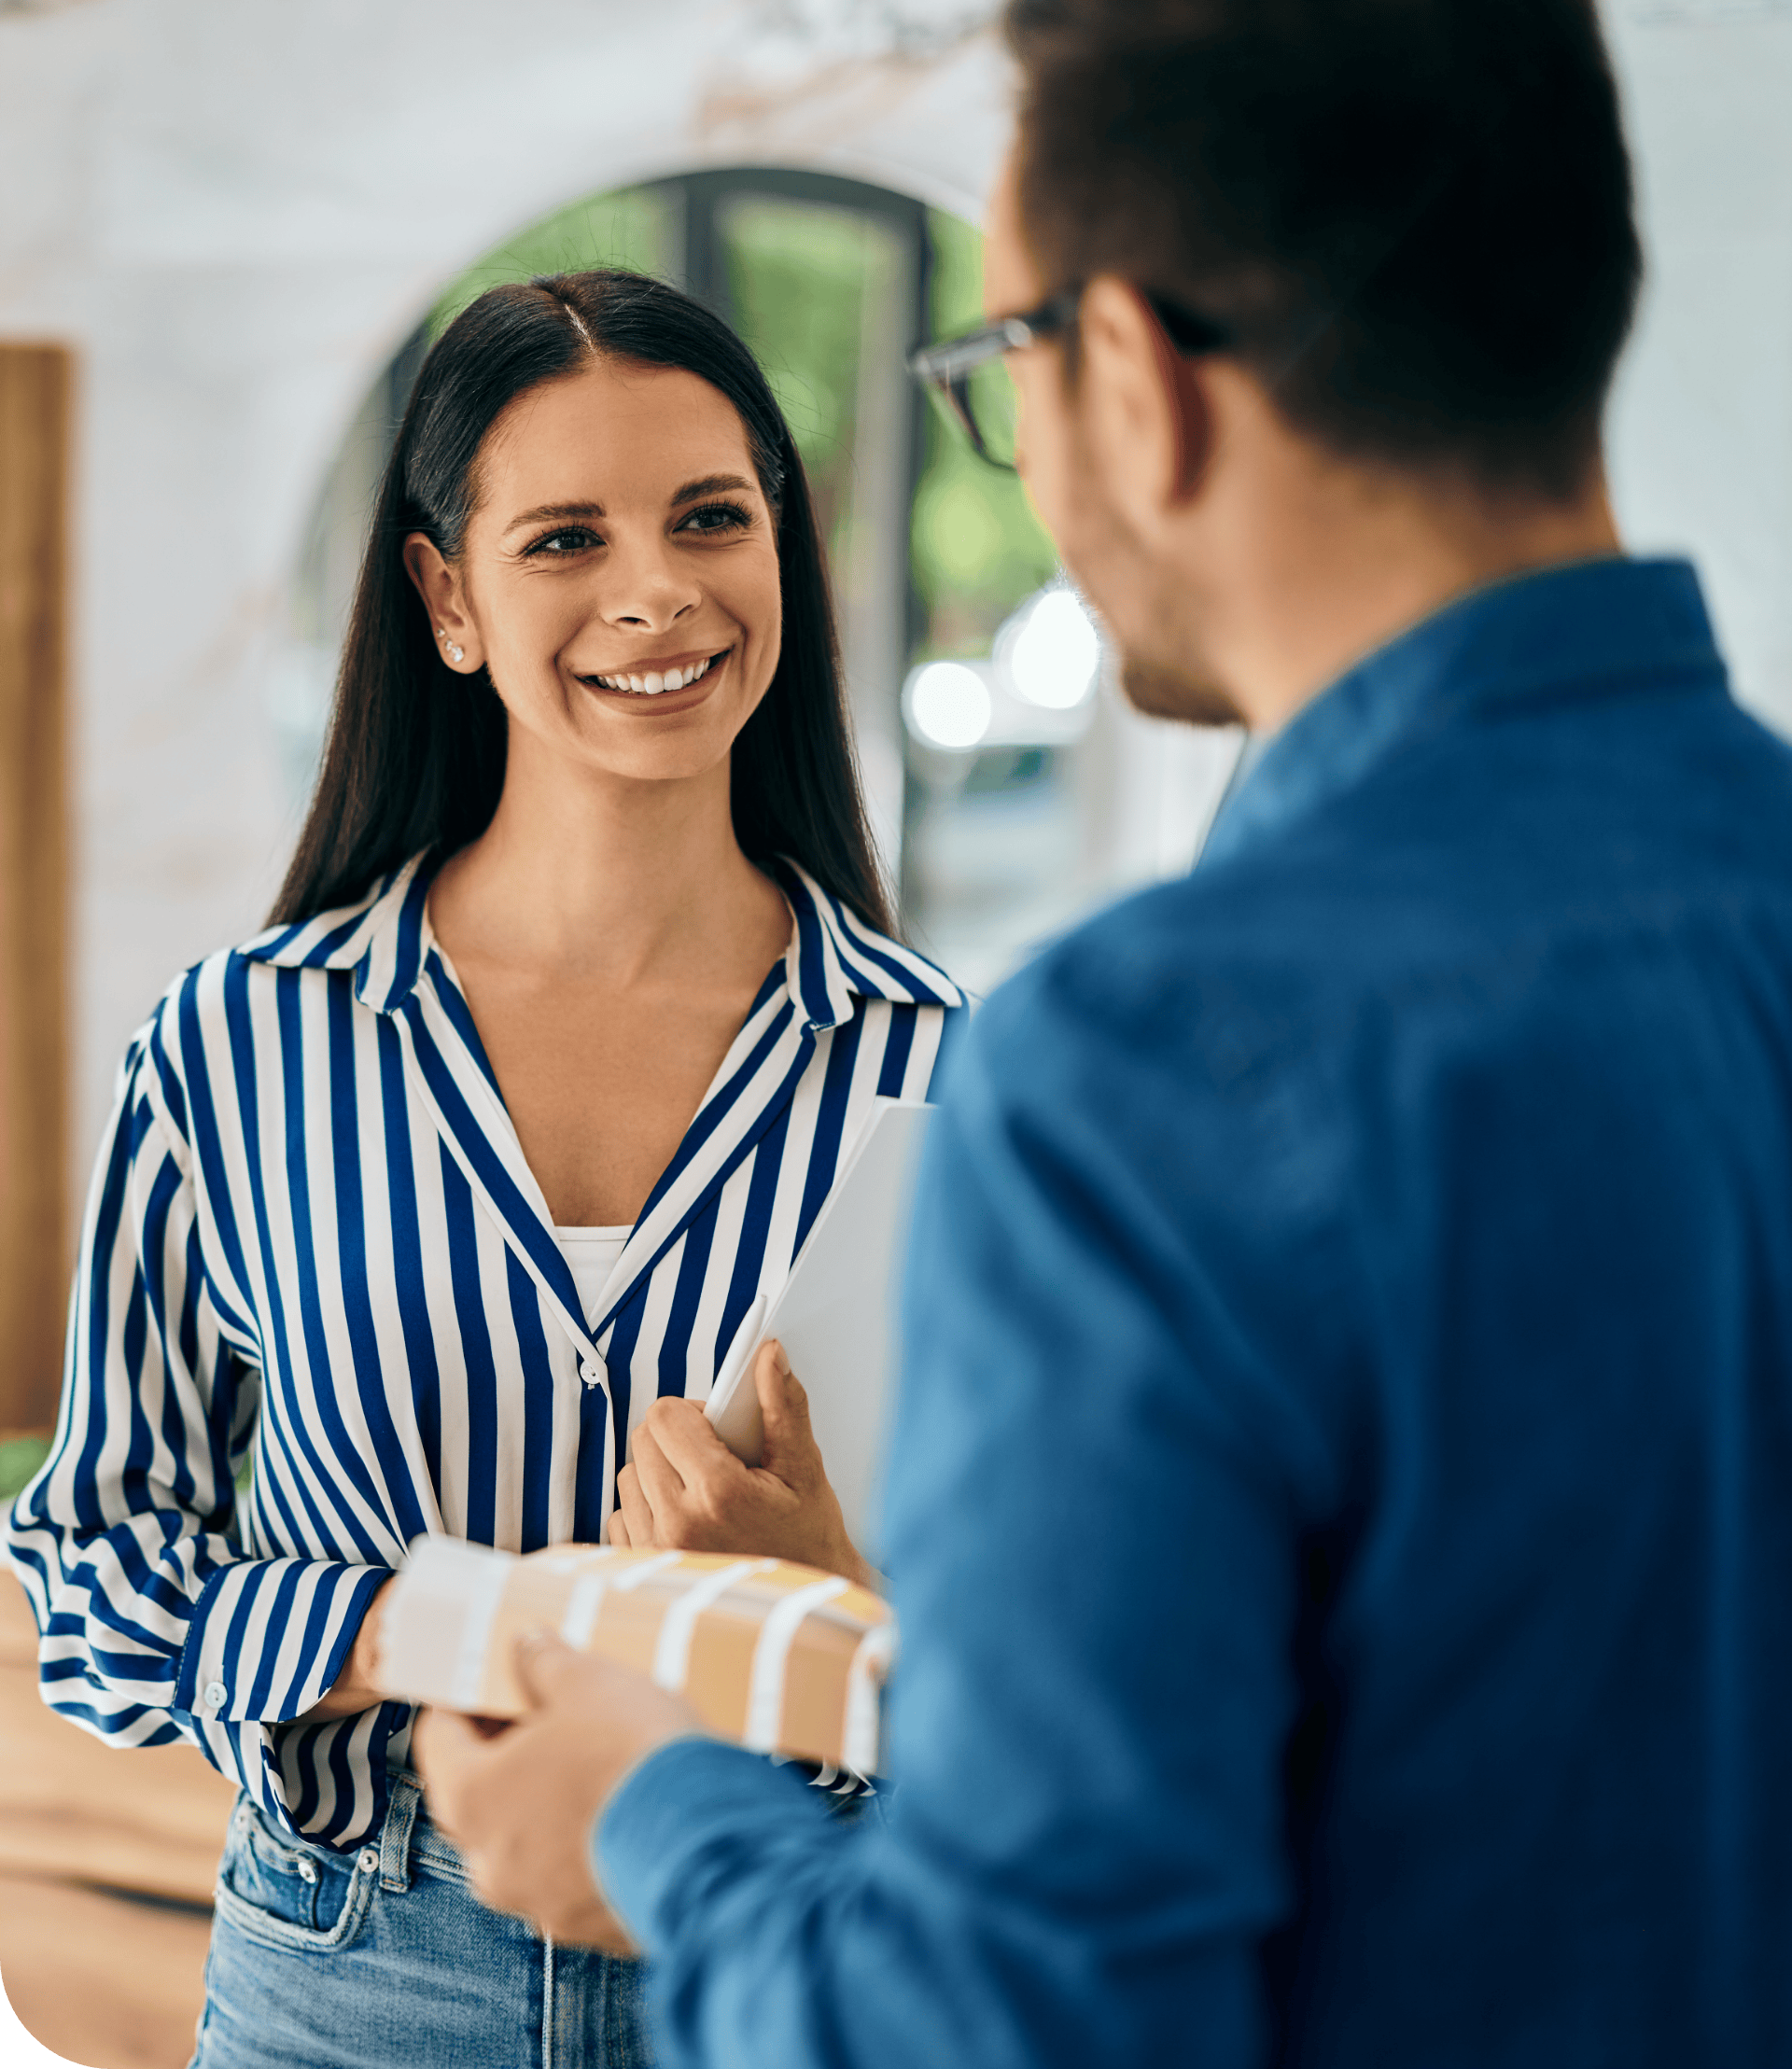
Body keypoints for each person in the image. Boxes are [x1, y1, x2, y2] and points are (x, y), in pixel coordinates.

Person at [416, 2, 1792, 2063]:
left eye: (1002, 370)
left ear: (1131, 383)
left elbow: (1016, 2022)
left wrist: (661, 1818)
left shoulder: (1150, 1069)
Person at [4, 269, 962, 2069]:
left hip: (786, 1957)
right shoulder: (237, 1051)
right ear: (446, 596)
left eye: (710, 517)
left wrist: (839, 1596)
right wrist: (405, 1620)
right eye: (563, 540)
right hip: (349, 1970)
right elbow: (93, 1565)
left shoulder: (948, 1072)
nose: (656, 591)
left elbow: (1070, 1645)